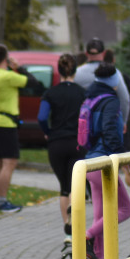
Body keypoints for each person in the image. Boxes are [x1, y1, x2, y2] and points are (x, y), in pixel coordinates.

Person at [0, 44, 42, 213]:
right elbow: (34, 83)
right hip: (7, 123)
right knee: (10, 162)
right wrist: (19, 68)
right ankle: (3, 201)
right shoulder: (8, 77)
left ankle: (0, 199)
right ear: (6, 58)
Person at [81, 63, 130, 259]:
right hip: (103, 163)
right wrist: (122, 158)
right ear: (114, 81)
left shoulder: (90, 98)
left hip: (89, 162)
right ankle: (86, 235)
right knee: (125, 209)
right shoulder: (110, 101)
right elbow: (109, 129)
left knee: (100, 215)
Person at [38, 53, 86, 241]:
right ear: (75, 71)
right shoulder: (82, 93)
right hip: (77, 143)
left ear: (58, 71)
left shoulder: (50, 93)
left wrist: (48, 132)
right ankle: (75, 221)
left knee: (64, 187)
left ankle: (67, 228)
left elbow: (42, 117)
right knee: (76, 185)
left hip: (56, 143)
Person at [75, 38, 130, 127]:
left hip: (83, 124)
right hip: (107, 123)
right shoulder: (114, 73)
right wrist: (123, 122)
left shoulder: (76, 73)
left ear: (86, 54)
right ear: (104, 53)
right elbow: (125, 99)